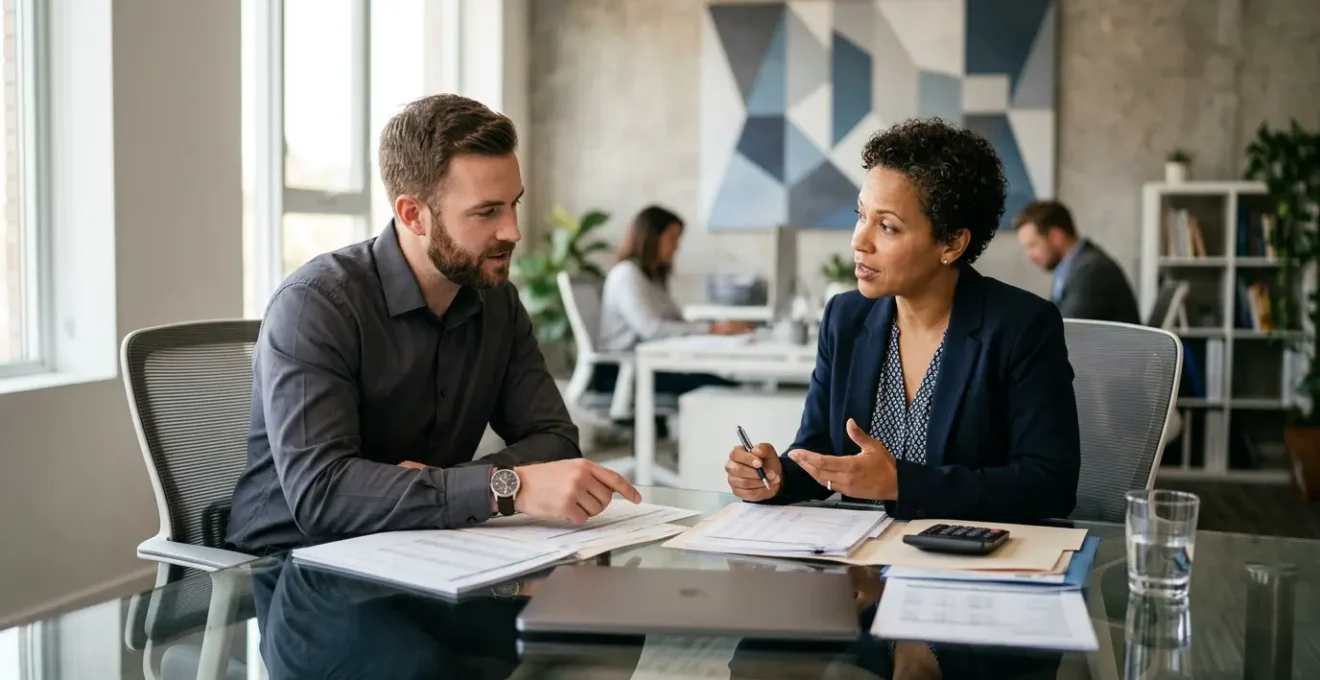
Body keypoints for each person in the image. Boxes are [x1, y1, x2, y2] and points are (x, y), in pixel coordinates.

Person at [227, 94, 640, 555]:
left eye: (513, 204)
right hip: (293, 568)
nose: (513, 231)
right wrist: (505, 487)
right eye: (487, 212)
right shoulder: (315, 307)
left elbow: (555, 438)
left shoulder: (496, 301)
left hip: (424, 549)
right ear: (412, 215)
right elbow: (322, 494)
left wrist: (457, 486)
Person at [723, 118, 1081, 525]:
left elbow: (1050, 486)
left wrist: (902, 484)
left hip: (959, 567)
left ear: (951, 243)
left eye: (887, 226)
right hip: (857, 567)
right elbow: (819, 449)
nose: (859, 240)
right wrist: (778, 477)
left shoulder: (1022, 327)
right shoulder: (846, 317)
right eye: (862, 216)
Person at [592, 205, 752, 404]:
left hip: (649, 366)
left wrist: (717, 327)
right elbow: (652, 329)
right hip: (623, 374)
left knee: (729, 384)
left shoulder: (651, 278)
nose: (677, 247)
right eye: (672, 238)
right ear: (651, 237)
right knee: (725, 390)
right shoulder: (626, 275)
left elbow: (674, 320)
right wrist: (713, 329)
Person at [1013, 199, 1140, 324]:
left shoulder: (1091, 270)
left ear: (1056, 236)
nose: (1029, 256)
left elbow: (1064, 330)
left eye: (1032, 245)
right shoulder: (1071, 266)